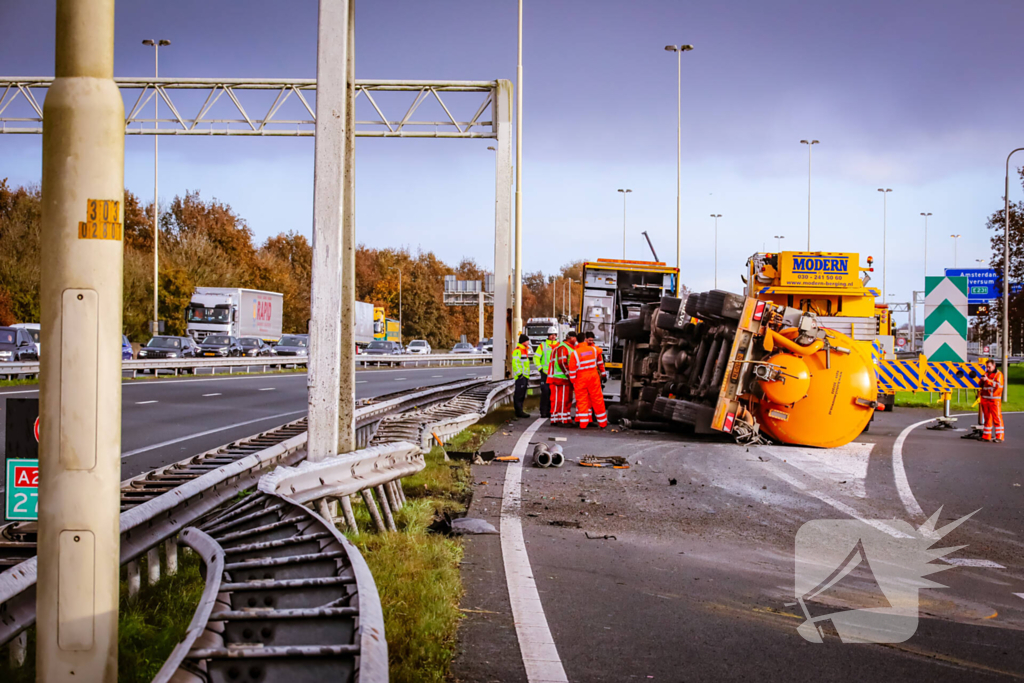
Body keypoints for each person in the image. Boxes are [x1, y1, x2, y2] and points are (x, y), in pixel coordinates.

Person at [569, 332, 608, 429]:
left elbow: (572, 370)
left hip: (581, 378)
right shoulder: (594, 350)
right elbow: (600, 352)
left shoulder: (575, 353)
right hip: (593, 376)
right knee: (597, 399)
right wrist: (603, 374)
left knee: (582, 401)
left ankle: (583, 424)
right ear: (585, 339)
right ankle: (603, 422)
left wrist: (573, 381)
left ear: (577, 340)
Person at [547, 330, 577, 425]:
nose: (576, 340)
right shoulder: (563, 348)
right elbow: (562, 363)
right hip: (561, 378)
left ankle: (563, 418)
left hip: (561, 377)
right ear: (571, 338)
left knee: (565, 399)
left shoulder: (568, 348)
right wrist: (569, 374)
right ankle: (559, 419)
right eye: (575, 338)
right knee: (561, 399)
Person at [979, 359, 1004, 443]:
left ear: (994, 366)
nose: (988, 368)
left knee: (997, 418)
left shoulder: (999, 374)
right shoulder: (986, 374)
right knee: (987, 418)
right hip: (986, 399)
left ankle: (999, 437)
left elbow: (998, 385)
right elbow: (981, 385)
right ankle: (986, 436)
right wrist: (981, 380)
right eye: (987, 367)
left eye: (989, 367)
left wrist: (987, 380)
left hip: (994, 399)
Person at [536, 328, 558, 418]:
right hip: (545, 373)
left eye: (554, 334)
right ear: (548, 336)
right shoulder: (542, 345)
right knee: (545, 392)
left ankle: (551, 411)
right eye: (551, 334)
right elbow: (536, 358)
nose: (553, 336)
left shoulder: (559, 345)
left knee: (553, 393)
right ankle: (543, 411)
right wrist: (540, 369)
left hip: (555, 374)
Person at [512, 333, 532, 418]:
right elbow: (515, 363)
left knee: (522, 395)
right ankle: (519, 412)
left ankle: (520, 411)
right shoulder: (518, 350)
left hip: (524, 376)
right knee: (519, 395)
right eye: (527, 340)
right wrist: (520, 374)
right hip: (521, 377)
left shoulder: (524, 350)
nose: (528, 342)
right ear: (523, 341)